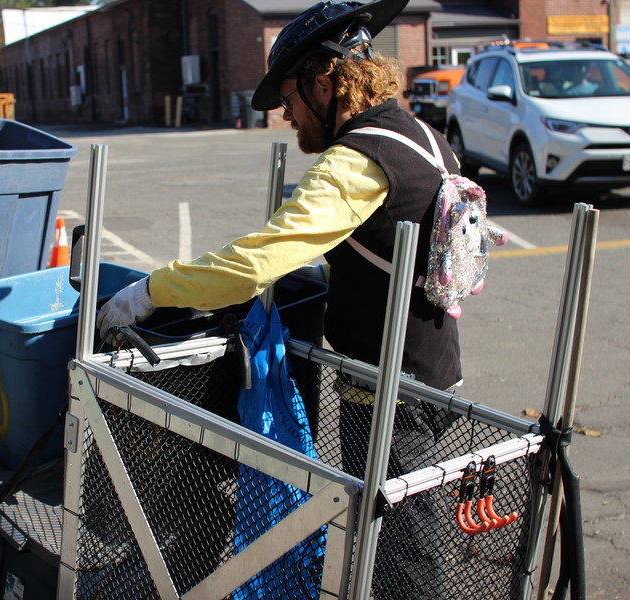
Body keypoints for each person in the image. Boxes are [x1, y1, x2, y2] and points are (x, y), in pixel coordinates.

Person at [97, 1, 461, 597]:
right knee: (386, 535)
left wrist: (149, 292)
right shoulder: (419, 134)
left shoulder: (358, 163)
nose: (287, 116)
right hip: (428, 371)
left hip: (394, 390)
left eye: (289, 99)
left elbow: (252, 263)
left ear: (326, 80)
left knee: (403, 553)